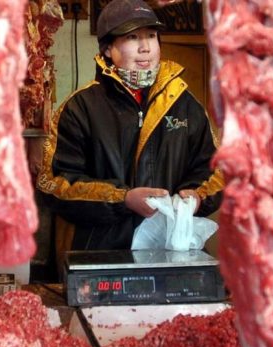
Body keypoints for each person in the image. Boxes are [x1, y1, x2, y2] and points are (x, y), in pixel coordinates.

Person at [36, 0, 223, 265]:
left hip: (171, 257)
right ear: (109, 48)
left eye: (151, 36)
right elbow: (54, 185)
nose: (145, 47)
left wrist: (196, 197)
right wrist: (122, 199)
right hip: (100, 257)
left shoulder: (185, 105)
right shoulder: (80, 108)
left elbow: (216, 171)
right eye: (132, 37)